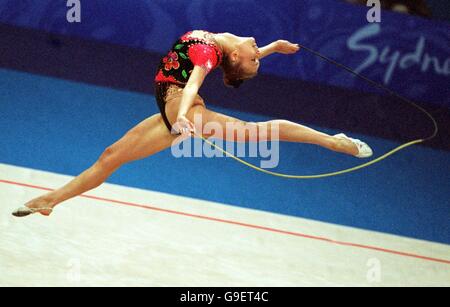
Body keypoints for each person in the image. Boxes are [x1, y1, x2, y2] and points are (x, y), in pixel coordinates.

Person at [12, 30, 372, 217]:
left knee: (253, 133)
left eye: (256, 57)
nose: (256, 52)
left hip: (181, 109)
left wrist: (183, 115)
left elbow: (197, 80)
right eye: (256, 58)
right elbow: (241, 57)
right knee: (110, 156)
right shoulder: (225, 47)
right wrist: (274, 48)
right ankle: (51, 200)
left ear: (232, 57)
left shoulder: (209, 52)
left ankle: (332, 140)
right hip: (174, 113)